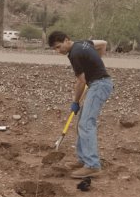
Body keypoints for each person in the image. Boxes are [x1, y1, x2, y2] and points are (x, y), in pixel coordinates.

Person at [48, 31, 113, 178]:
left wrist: (75, 102)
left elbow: (81, 81)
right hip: (99, 83)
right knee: (82, 123)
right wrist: (95, 65)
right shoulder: (83, 43)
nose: (58, 51)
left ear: (66, 40)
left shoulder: (74, 54)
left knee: (86, 124)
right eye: (55, 49)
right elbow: (103, 43)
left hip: (99, 85)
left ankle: (92, 165)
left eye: (59, 47)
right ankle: (83, 159)